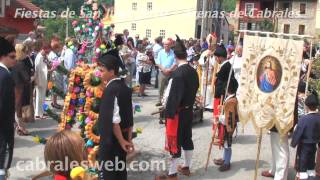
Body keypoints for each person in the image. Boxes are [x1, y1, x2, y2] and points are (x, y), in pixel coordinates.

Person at [156, 35, 199, 180]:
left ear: (175, 56)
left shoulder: (178, 74)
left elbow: (172, 98)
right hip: (188, 111)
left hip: (178, 113)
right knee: (187, 138)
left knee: (175, 141)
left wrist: (166, 111)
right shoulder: (193, 71)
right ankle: (186, 166)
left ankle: (172, 174)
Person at [97, 52, 134, 180]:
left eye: (102, 71)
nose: (99, 73)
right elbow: (129, 118)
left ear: (112, 71)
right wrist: (128, 139)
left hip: (111, 141)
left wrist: (122, 141)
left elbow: (114, 121)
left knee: (109, 173)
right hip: (122, 138)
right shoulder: (125, 87)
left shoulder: (110, 90)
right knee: (120, 172)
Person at [291, 91, 320, 180]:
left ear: (306, 106)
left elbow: (298, 132)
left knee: (303, 163)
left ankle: (303, 176)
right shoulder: (318, 118)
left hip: (304, 145)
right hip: (314, 144)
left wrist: (294, 142)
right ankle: (311, 176)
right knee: (311, 162)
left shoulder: (304, 119)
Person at [213, 78, 239, 171]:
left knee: (227, 144)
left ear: (227, 89)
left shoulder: (231, 101)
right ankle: (224, 159)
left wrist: (218, 117)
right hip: (227, 126)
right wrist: (223, 107)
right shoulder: (231, 99)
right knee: (225, 143)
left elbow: (229, 118)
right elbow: (228, 112)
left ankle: (227, 163)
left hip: (228, 127)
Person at [0, 37, 16, 180]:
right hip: (3, 129)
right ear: (2, 56)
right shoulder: (5, 76)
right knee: (2, 165)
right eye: (11, 57)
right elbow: (3, 105)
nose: (14, 60)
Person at [12, 44, 32, 136]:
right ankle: (21, 128)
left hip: (15, 87)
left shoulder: (14, 62)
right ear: (21, 52)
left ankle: (19, 127)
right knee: (20, 109)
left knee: (17, 109)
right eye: (25, 51)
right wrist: (34, 77)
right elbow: (27, 78)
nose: (26, 53)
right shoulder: (20, 64)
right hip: (21, 89)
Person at [213, 44, 236, 121]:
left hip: (222, 96)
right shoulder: (225, 65)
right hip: (221, 95)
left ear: (221, 57)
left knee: (219, 116)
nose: (216, 59)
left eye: (216, 57)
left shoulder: (226, 66)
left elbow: (221, 81)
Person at [155, 40, 177, 106]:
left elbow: (175, 63)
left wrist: (169, 70)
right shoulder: (160, 52)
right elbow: (158, 62)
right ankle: (160, 100)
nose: (166, 46)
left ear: (170, 45)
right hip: (162, 72)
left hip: (171, 72)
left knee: (170, 87)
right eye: (165, 44)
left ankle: (168, 101)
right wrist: (164, 70)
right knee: (161, 87)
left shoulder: (173, 53)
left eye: (167, 44)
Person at [199, 34, 217, 110]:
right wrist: (206, 58)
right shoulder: (204, 53)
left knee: (210, 89)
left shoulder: (216, 53)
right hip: (204, 73)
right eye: (209, 45)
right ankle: (203, 104)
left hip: (212, 74)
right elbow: (200, 62)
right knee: (204, 89)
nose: (209, 47)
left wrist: (212, 56)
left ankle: (210, 105)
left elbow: (216, 65)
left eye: (211, 45)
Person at [34, 43, 51, 119]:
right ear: (43, 49)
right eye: (47, 51)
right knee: (39, 96)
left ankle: (42, 112)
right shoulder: (39, 57)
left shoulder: (43, 56)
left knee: (42, 96)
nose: (47, 52)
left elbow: (45, 66)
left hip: (43, 78)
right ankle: (38, 113)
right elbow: (37, 70)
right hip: (40, 78)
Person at [48, 39, 63, 109]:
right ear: (55, 48)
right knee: (55, 88)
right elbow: (55, 65)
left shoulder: (53, 54)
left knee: (55, 88)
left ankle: (54, 102)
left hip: (55, 72)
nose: (59, 49)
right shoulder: (53, 55)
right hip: (55, 73)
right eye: (58, 48)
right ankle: (54, 103)